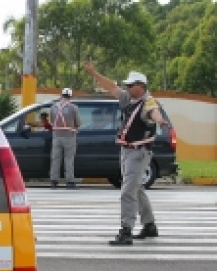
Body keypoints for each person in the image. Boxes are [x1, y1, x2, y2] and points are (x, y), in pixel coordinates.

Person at [84, 60, 168, 246]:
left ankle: (126, 230)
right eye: (128, 85)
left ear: (141, 86)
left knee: (127, 191)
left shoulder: (148, 102)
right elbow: (112, 87)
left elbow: (154, 112)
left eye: (131, 85)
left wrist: (160, 120)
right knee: (136, 189)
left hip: (138, 152)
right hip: (127, 150)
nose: (127, 87)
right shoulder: (129, 99)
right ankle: (149, 225)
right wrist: (94, 72)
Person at [49, 88, 81, 189]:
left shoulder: (53, 107)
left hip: (56, 136)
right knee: (69, 159)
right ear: (70, 96)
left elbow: (51, 122)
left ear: (61, 95)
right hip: (69, 136)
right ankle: (69, 182)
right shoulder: (73, 107)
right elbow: (78, 122)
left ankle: (54, 181)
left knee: (55, 159)